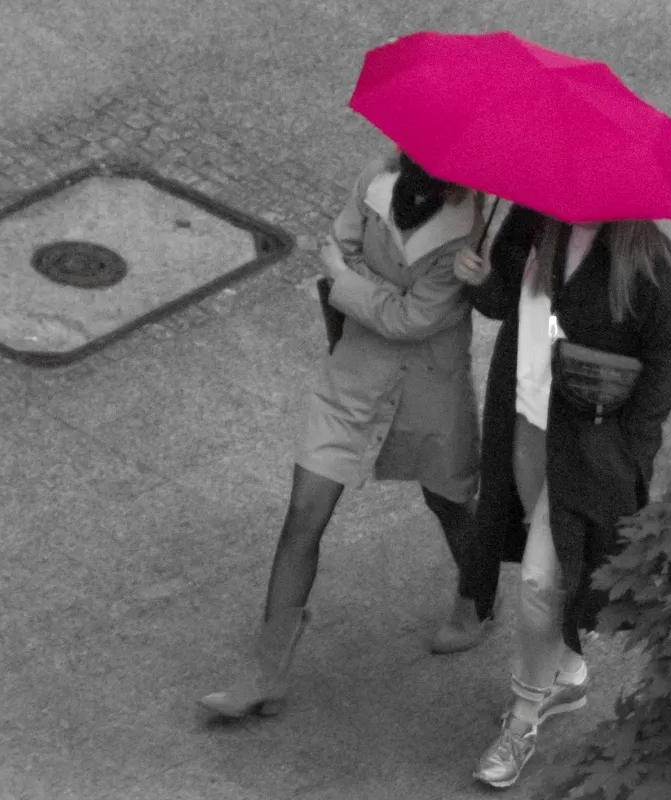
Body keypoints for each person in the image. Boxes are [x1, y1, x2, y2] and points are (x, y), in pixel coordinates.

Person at [199, 150, 493, 720]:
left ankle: (477, 601)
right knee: (302, 515)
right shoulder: (376, 179)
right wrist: (371, 288)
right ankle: (265, 675)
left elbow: (408, 316)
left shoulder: (472, 227)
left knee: (450, 502)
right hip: (353, 377)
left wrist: (348, 279)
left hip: (428, 391)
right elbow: (344, 250)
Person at [453, 206, 671, 788]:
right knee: (556, 567)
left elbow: (662, 379)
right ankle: (568, 671)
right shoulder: (535, 221)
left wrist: (625, 456)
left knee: (539, 578)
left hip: (584, 451)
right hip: (523, 428)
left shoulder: (656, 270)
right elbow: (503, 302)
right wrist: (479, 278)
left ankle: (522, 718)